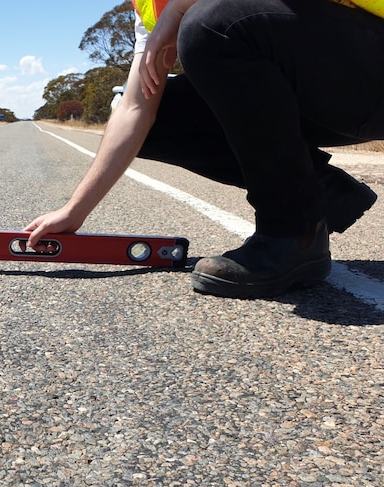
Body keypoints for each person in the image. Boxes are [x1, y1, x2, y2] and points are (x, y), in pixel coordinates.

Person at [25, 0, 380, 299]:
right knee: (157, 114)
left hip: (367, 60)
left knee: (213, 25)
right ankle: (310, 203)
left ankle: (287, 229)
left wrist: (178, 11)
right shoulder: (150, 6)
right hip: (323, 88)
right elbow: (137, 107)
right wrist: (75, 210)